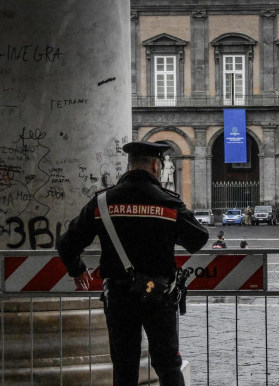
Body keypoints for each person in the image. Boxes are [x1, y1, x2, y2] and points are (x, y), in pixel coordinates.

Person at [57, 141, 208, 386]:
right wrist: (169, 234)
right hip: (160, 295)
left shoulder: (103, 202)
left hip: (119, 297)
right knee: (168, 366)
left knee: (125, 367)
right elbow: (198, 238)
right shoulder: (168, 203)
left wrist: (77, 269)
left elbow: (66, 244)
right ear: (155, 165)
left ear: (129, 165)